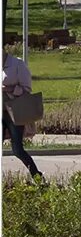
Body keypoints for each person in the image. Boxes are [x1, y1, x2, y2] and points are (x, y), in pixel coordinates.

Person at [3, 49, 44, 181]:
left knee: (17, 149)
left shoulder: (17, 64)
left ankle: (37, 176)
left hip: (15, 113)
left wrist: (9, 89)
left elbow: (27, 88)